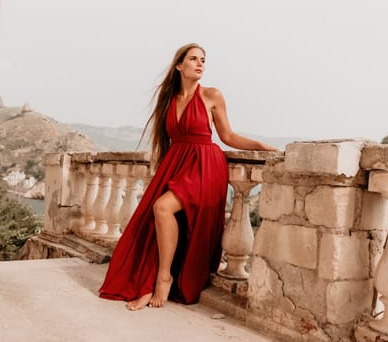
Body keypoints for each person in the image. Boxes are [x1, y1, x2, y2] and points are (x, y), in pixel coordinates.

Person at [99, 43, 278, 311]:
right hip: (177, 163)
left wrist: (261, 146)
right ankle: (154, 279)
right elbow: (166, 141)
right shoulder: (169, 100)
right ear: (179, 65)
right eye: (193, 59)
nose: (199, 64)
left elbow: (227, 136)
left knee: (162, 208)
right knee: (152, 217)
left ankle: (164, 277)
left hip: (205, 166)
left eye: (203, 60)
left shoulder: (212, 95)